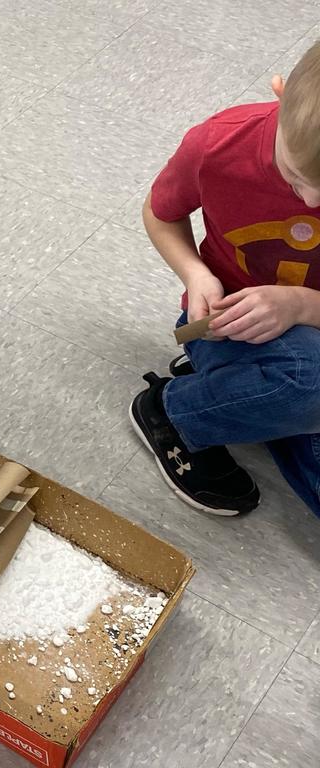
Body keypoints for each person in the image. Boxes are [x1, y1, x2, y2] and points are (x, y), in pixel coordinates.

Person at [130, 42, 320, 518]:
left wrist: (301, 305)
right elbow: (161, 214)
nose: (311, 202)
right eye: (296, 176)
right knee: (310, 382)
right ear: (280, 93)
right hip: (227, 322)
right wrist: (196, 274)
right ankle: (175, 412)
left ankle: (266, 404)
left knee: (307, 389)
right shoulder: (217, 145)